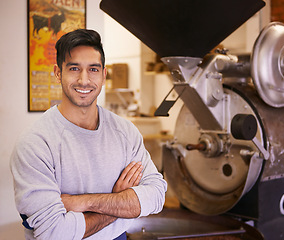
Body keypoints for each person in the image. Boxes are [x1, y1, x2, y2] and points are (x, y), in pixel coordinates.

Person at [10, 29, 167, 240]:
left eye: (93, 69)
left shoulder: (125, 132)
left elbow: (156, 196)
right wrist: (118, 202)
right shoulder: (36, 143)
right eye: (74, 68)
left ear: (103, 75)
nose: (84, 80)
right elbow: (54, 233)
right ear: (58, 73)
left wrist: (84, 202)